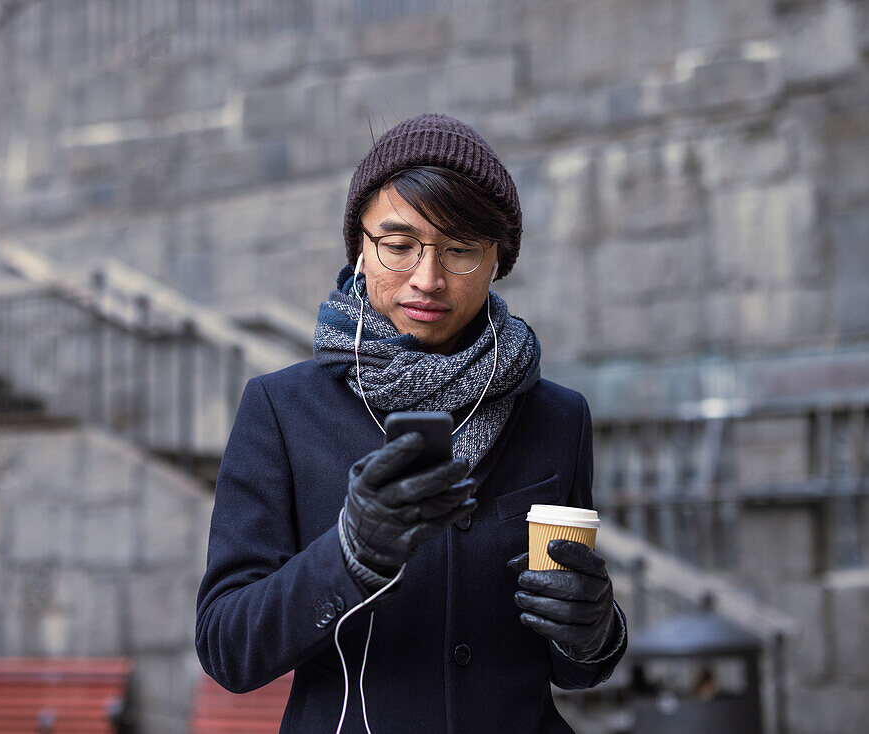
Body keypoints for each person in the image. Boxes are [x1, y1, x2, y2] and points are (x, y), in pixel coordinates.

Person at [195, 113, 627, 733]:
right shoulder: (281, 411)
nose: (428, 279)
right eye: (398, 246)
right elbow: (227, 649)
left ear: (497, 259)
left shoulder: (556, 416)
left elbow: (576, 665)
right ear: (359, 248)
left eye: (460, 251)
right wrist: (348, 554)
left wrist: (596, 630)